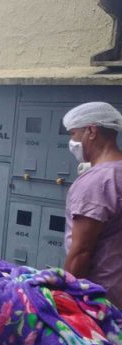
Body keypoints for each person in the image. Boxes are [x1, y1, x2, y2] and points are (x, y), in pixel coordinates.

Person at [62, 101, 122, 308]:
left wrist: (66, 302)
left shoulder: (98, 181)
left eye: (73, 134)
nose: (71, 141)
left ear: (91, 131)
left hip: (99, 301)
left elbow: (81, 252)